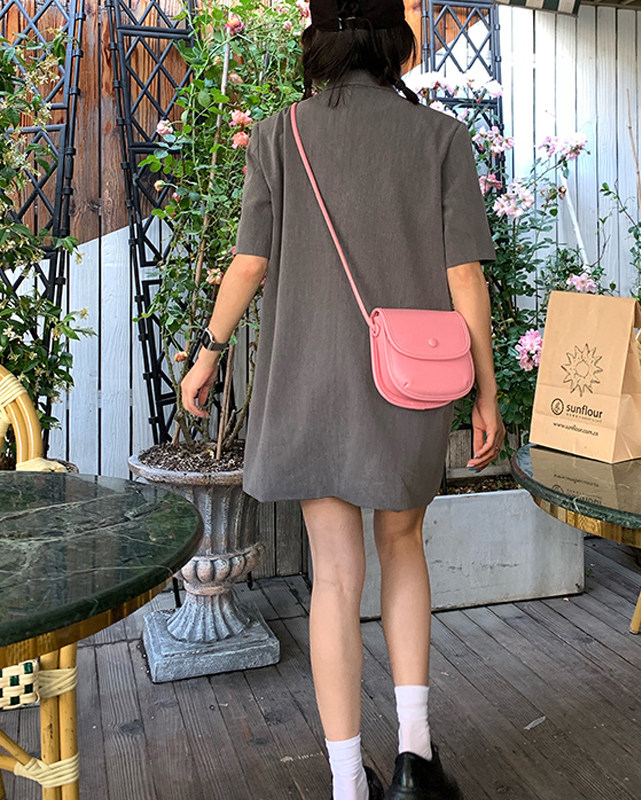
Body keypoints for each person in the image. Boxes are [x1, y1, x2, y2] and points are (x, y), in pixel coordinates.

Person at [181, 0, 505, 797]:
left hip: (311, 384)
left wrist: (207, 354)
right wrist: (486, 391)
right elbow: (465, 274)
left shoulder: (278, 135)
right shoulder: (441, 137)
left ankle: (344, 783)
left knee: (333, 575)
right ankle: (415, 761)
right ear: (394, 40)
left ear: (318, 40)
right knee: (404, 545)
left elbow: (250, 263)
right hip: (409, 384)